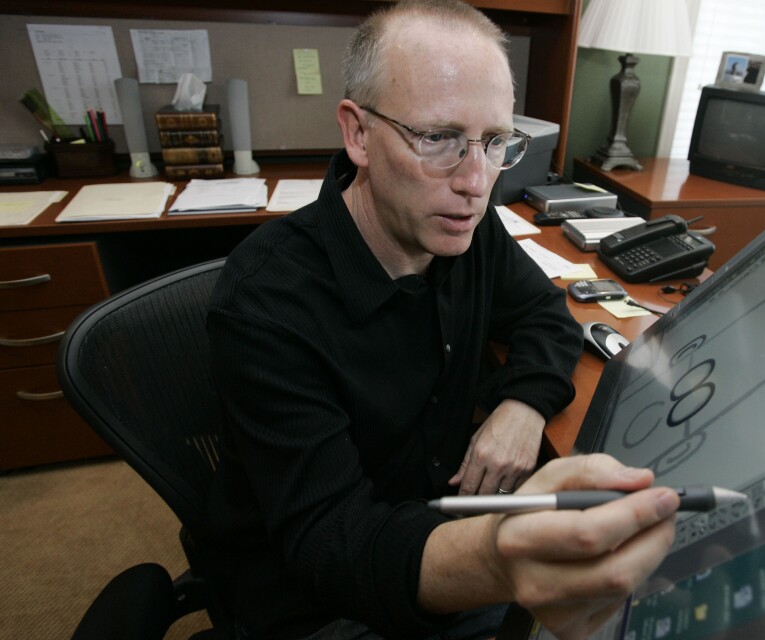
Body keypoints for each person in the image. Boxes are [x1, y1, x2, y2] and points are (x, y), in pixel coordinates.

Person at [201, 1, 680, 639]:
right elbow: (331, 544)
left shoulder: (462, 226)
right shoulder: (264, 305)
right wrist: (496, 556)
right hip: (319, 598)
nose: (476, 181)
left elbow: (545, 312)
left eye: (495, 142)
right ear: (359, 134)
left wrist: (524, 404)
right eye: (438, 139)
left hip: (436, 523)